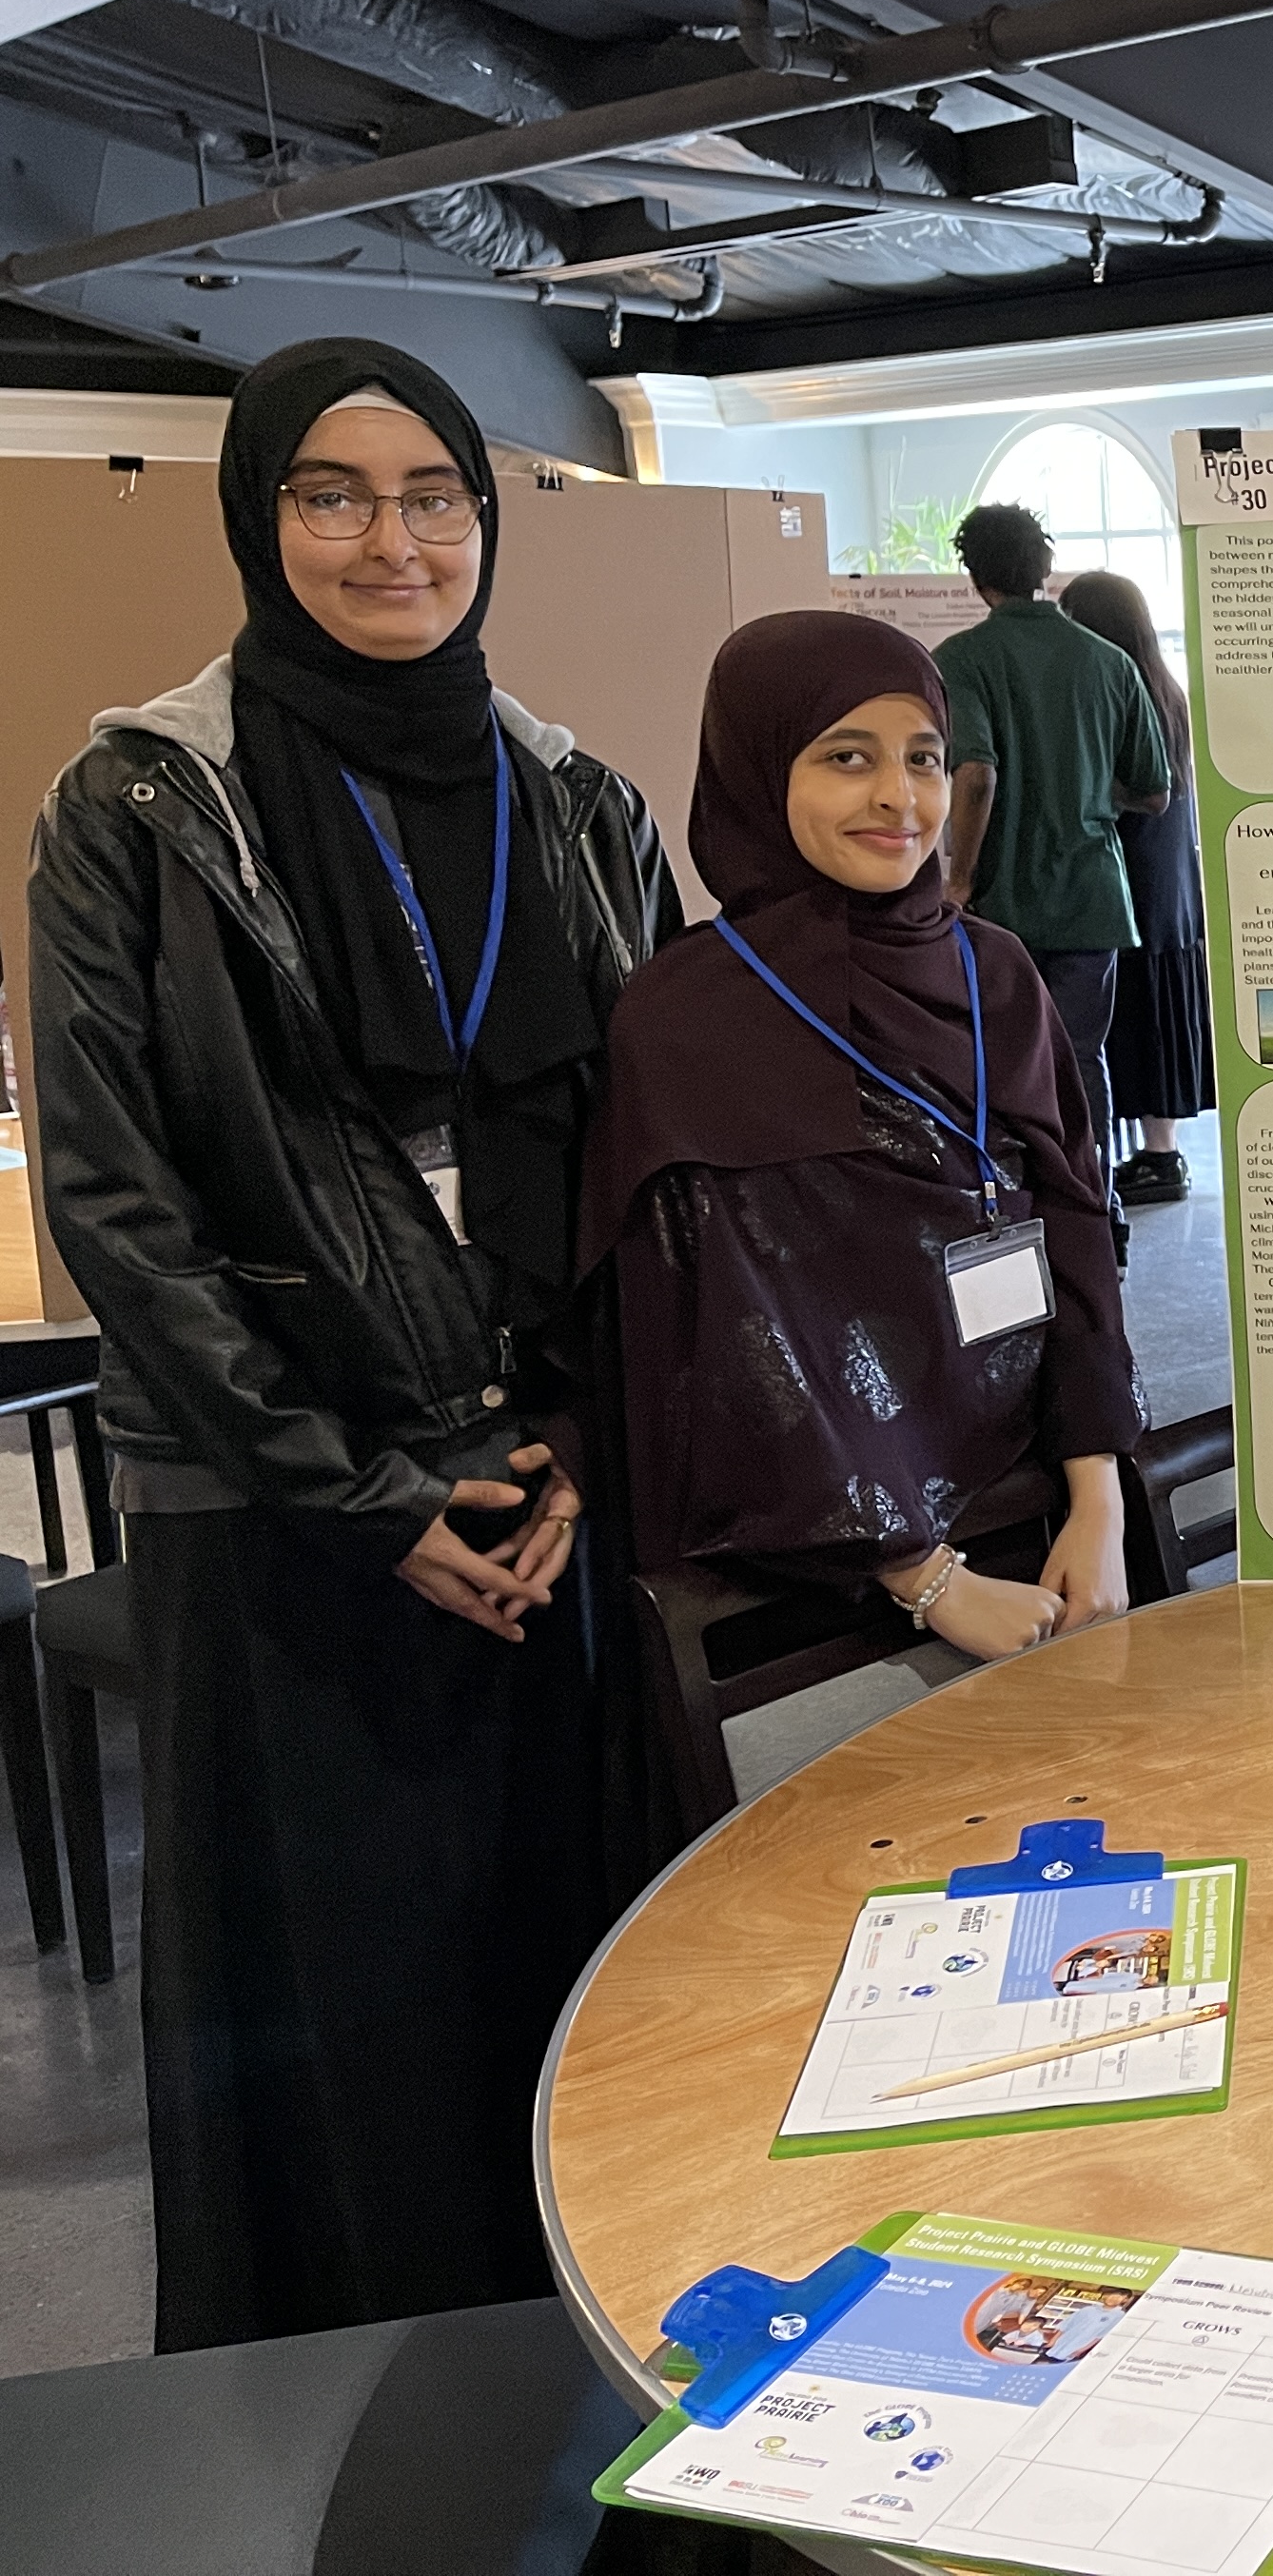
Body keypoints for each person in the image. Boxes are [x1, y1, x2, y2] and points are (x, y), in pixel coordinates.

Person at [27, 335, 682, 2347]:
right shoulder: (141, 802)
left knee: (572, 1979)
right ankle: (373, 2447)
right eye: (331, 492)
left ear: (487, 519)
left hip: (543, 1496)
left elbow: (648, 1165)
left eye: (433, 496)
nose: (389, 539)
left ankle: (596, 2370)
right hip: (280, 1513)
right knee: (342, 2022)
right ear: (256, 515)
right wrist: (358, 1492)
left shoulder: (577, 798)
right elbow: (120, 1202)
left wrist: (579, 1428)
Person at [578, 611, 1140, 1662]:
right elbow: (731, 1337)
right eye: (847, 758)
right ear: (757, 768)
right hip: (817, 1570)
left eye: (924, 758)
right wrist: (925, 1580)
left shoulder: (993, 971)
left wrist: (1096, 1488)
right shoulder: (690, 1014)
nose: (900, 797)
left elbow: (1075, 1222)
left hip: (1036, 1506)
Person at [936, 504, 1170, 1251]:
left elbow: (976, 773)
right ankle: (1094, 1222)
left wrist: (959, 880)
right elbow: (1155, 790)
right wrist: (1090, 793)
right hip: (1091, 901)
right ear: (1045, 569)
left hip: (1003, 904)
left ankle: (1020, 1224)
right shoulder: (1110, 662)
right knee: (1081, 1063)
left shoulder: (963, 659)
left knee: (1000, 1068)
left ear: (975, 576)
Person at [1058, 568, 1210, 1207]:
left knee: (1133, 1011)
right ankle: (1160, 1151)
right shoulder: (1164, 686)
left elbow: (1131, 790)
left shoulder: (1116, 687)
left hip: (1134, 873)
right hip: (1171, 876)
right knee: (1158, 1005)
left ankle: (1155, 1157)